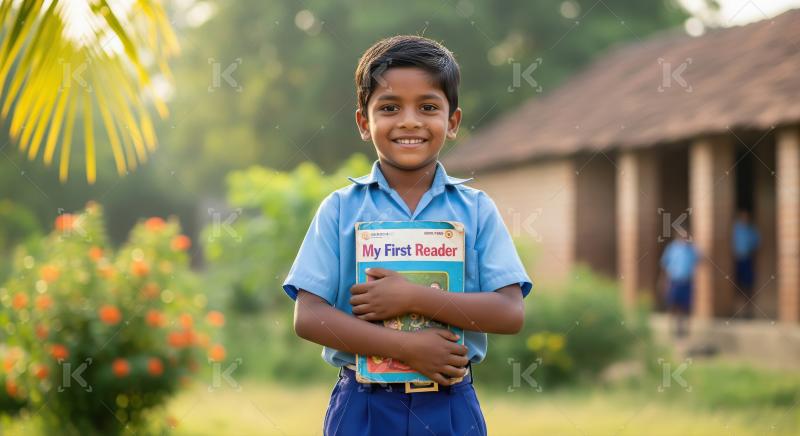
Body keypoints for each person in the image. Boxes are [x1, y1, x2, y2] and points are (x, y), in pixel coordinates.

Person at [282, 35, 532, 436]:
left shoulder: (476, 210)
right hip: (362, 406)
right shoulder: (341, 209)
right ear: (364, 122)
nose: (410, 121)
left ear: (452, 122)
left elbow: (509, 312)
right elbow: (309, 316)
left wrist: (416, 297)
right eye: (389, 107)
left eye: (428, 107)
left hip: (449, 402)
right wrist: (405, 347)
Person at [660, 231, 699, 338]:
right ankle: (673, 329)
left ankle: (683, 329)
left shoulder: (691, 250)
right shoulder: (672, 249)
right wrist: (664, 282)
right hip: (674, 281)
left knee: (685, 307)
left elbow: (700, 259)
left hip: (686, 281)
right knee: (673, 305)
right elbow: (664, 265)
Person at [732, 210, 760, 318]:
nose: (745, 219)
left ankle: (748, 311)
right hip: (737, 260)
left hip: (748, 260)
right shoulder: (735, 229)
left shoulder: (752, 230)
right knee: (737, 286)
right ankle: (737, 311)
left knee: (748, 286)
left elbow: (757, 244)